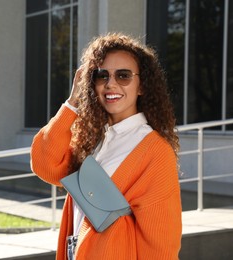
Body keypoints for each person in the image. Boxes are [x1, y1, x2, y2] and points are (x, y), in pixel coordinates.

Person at [30, 32, 182, 260]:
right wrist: (72, 104)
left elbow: (161, 241)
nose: (111, 84)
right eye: (102, 76)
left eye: (123, 76)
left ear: (142, 86)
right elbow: (45, 165)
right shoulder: (92, 139)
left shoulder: (155, 151)